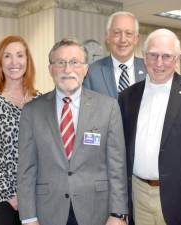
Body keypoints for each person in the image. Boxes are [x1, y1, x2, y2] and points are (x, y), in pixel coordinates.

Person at [17, 38, 128, 225]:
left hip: (96, 210)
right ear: (51, 69)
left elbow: (117, 166)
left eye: (75, 62)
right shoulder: (31, 111)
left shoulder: (108, 107)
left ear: (86, 69)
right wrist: (28, 217)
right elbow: (26, 170)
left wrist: (118, 214)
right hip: (48, 212)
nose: (68, 70)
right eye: (60, 63)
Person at [118, 28, 181, 225]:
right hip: (137, 195)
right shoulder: (127, 96)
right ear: (144, 56)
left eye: (166, 56)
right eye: (153, 55)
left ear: (177, 58)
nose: (159, 63)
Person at [0, 35, 40, 225]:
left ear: (27, 61)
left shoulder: (40, 100)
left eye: (20, 55)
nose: (14, 62)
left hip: (34, 193)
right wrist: (11, 193)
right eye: (7, 56)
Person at [83, 11, 147, 98]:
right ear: (107, 37)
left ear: (136, 39)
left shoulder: (150, 69)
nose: (123, 40)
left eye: (128, 33)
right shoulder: (91, 72)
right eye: (117, 33)